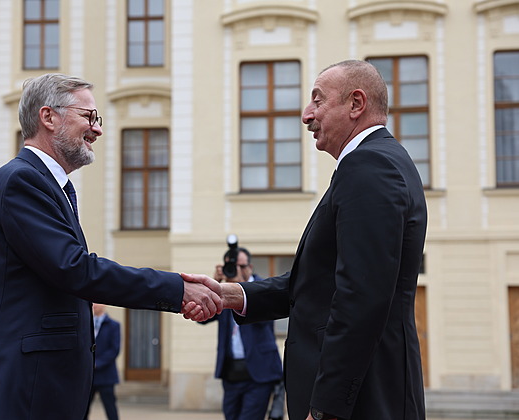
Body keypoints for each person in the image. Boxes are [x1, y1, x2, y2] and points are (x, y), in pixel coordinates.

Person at [0, 73, 222, 420]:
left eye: (98, 119)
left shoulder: (49, 185)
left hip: (36, 392)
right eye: (89, 117)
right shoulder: (22, 181)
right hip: (17, 394)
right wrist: (177, 288)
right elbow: (74, 269)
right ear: (48, 117)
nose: (97, 130)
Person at [183, 60, 427, 420]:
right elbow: (319, 285)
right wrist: (235, 295)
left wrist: (326, 409)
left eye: (318, 100)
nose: (305, 114)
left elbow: (361, 299)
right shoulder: (374, 163)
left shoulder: (369, 167)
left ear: (356, 104)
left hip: (361, 403)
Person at [199, 247, 283, 420]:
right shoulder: (221, 291)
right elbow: (202, 318)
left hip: (259, 373)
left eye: (241, 266)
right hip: (231, 374)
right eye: (232, 266)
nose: (237, 270)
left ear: (250, 267)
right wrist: (211, 290)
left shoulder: (264, 287)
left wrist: (241, 290)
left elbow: (265, 320)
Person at [85, 303, 120, 420]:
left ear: (104, 305)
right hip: (89, 377)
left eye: (97, 302)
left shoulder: (114, 325)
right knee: (83, 409)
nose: (94, 305)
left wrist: (96, 363)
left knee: (110, 409)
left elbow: (114, 350)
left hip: (106, 376)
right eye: (92, 302)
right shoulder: (85, 324)